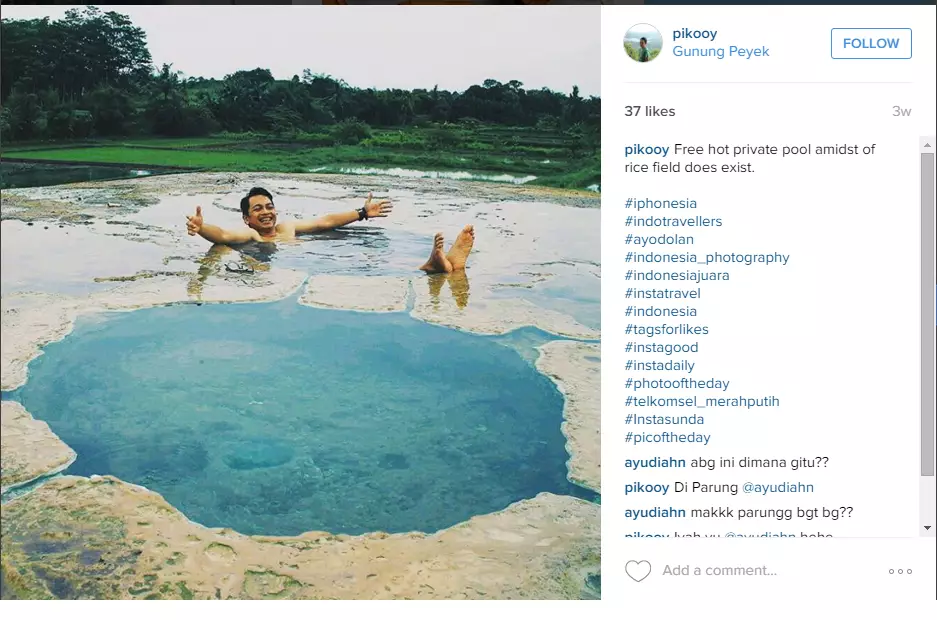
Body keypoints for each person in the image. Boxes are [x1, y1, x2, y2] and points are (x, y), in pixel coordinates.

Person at [185, 186, 393, 244]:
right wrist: (202, 228)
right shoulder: (253, 236)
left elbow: (325, 222)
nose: (266, 212)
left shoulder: (287, 228)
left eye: (269, 207)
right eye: (257, 209)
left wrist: (362, 212)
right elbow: (224, 236)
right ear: (247, 219)